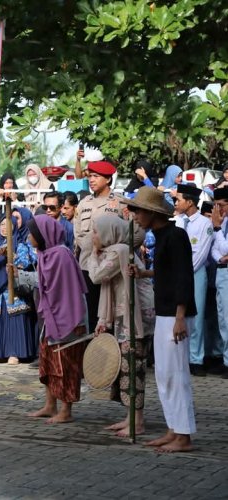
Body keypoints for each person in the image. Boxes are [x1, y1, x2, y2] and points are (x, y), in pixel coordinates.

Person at [124, 186, 197, 453]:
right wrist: (144, 274)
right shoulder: (162, 236)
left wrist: (180, 315)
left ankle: (184, 435)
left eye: (138, 210)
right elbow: (167, 273)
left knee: (176, 375)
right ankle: (173, 428)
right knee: (165, 375)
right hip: (165, 311)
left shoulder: (175, 236)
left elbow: (183, 277)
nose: (135, 216)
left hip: (175, 314)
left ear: (151, 212)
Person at [88, 215, 155, 437]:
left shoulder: (119, 251)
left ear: (109, 233)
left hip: (135, 318)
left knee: (132, 367)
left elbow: (97, 276)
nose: (93, 237)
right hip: (124, 315)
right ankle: (130, 418)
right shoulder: (116, 250)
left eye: (96, 232)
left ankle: (138, 421)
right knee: (127, 366)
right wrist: (103, 321)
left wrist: (92, 255)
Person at [27, 215, 88, 424]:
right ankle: (50, 404)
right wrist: (18, 275)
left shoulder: (61, 255)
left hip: (67, 318)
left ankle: (65, 409)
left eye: (32, 233)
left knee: (66, 363)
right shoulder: (45, 254)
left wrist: (78, 322)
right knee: (48, 360)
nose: (29, 237)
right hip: (49, 317)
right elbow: (42, 283)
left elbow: (71, 292)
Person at [75, 160, 138, 330]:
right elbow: (78, 234)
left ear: (108, 179)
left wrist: (112, 249)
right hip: (88, 264)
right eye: (90, 176)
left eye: (96, 176)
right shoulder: (84, 203)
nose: (91, 180)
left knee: (113, 310)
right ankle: (95, 351)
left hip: (113, 266)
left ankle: (114, 351)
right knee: (92, 310)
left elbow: (135, 233)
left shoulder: (120, 202)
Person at [174, 184, 213, 377]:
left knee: (196, 317)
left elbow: (200, 254)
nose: (176, 202)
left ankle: (196, 359)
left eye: (179, 199)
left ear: (189, 202)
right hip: (180, 273)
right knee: (180, 316)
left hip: (195, 273)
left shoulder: (204, 224)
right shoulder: (179, 221)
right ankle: (183, 357)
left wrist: (185, 271)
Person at [0, 216, 35, 365]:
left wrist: (10, 256)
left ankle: (14, 352)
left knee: (14, 317)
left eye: (8, 225)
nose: (4, 228)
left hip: (13, 288)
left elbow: (25, 262)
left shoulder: (19, 244)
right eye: (1, 224)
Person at [210, 187, 228, 377]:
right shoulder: (223, 223)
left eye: (221, 205)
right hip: (221, 271)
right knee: (222, 319)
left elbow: (224, 245)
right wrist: (222, 257)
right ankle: (225, 359)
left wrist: (216, 227)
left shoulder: (220, 224)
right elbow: (217, 250)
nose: (219, 210)